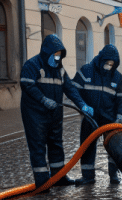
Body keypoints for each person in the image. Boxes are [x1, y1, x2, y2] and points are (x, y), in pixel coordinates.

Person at [20, 34, 93, 189]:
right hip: (35, 114)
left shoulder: (59, 70)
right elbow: (27, 85)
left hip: (54, 114)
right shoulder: (32, 65)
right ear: (47, 52)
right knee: (38, 146)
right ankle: (43, 182)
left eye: (59, 55)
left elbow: (70, 88)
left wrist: (82, 105)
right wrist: (43, 99)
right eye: (55, 55)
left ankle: (58, 177)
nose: (57, 58)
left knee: (56, 144)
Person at [72, 44, 122, 186]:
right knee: (86, 146)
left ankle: (114, 174)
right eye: (107, 62)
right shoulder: (86, 72)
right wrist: (82, 106)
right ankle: (88, 177)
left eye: (112, 63)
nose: (109, 65)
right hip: (90, 118)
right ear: (101, 59)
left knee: (114, 147)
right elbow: (74, 90)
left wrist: (120, 116)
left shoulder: (117, 78)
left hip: (110, 119)